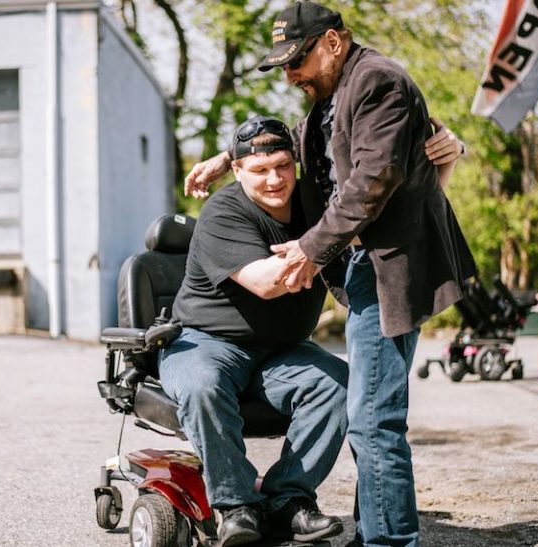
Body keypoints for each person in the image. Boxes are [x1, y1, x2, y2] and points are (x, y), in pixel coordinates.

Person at [183, 3, 476, 546]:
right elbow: (298, 140)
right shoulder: (332, 96)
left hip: (392, 269)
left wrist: (314, 249)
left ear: (334, 43)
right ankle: (375, 534)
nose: (291, 75)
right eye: (284, 65)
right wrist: (229, 158)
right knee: (370, 417)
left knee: (373, 418)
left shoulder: (377, 82)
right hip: (367, 266)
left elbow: (373, 177)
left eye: (297, 61)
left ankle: (387, 541)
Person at [159, 116, 348, 546]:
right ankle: (236, 506)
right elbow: (266, 282)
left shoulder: (314, 204)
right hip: (205, 343)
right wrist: (323, 245)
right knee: (203, 386)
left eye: (282, 165)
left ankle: (288, 501)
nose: (274, 179)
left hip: (282, 350)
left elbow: (359, 163)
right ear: (238, 171)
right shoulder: (223, 212)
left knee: (338, 384)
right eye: (259, 171)